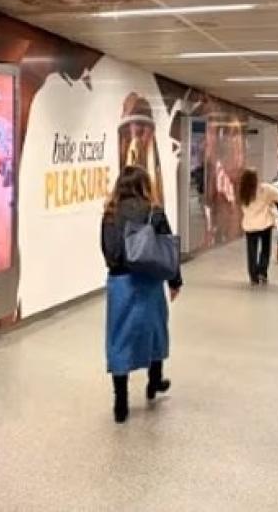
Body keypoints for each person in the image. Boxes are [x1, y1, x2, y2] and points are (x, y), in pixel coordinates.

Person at [100, 165, 182, 424]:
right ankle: (154, 381)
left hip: (120, 283)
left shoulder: (110, 214)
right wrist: (174, 281)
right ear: (144, 185)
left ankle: (121, 402)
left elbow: (107, 249)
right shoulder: (154, 212)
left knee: (119, 338)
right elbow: (167, 249)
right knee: (155, 330)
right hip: (149, 280)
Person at [238, 168, 278, 286]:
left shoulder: (242, 191)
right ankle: (262, 273)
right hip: (265, 223)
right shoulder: (264, 188)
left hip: (249, 224)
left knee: (251, 251)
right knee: (265, 249)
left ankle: (253, 276)